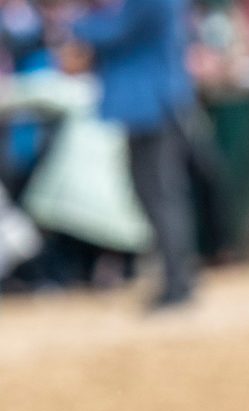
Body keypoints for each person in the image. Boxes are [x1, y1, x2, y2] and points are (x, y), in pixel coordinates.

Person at [66, 0, 199, 308]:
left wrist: (73, 25)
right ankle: (178, 278)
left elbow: (119, 31)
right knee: (160, 194)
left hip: (153, 105)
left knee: (159, 195)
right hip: (156, 103)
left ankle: (178, 282)